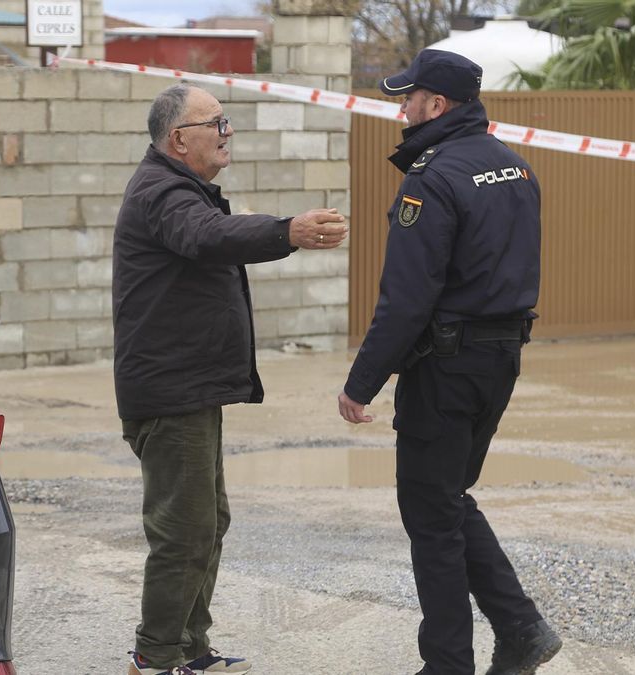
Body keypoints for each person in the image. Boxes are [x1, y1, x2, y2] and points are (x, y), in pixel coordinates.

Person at [336, 49, 561, 675]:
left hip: (447, 366)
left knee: (431, 516)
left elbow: (407, 300)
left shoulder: (430, 178)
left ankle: (450, 665)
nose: (402, 110)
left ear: (436, 105)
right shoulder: (515, 167)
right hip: (500, 360)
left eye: (408, 99)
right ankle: (520, 631)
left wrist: (362, 383)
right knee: (448, 497)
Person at [114, 83, 348, 675]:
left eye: (226, 121)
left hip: (190, 390)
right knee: (183, 531)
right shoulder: (163, 192)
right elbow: (208, 237)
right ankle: (157, 656)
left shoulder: (182, 189)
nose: (227, 133)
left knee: (206, 523)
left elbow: (209, 235)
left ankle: (191, 650)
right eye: (216, 123)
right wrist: (285, 231)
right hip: (170, 393)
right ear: (179, 138)